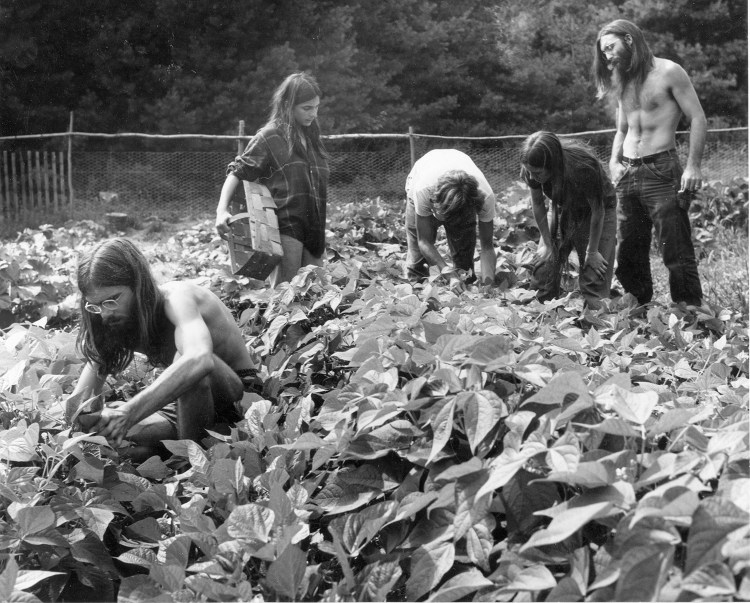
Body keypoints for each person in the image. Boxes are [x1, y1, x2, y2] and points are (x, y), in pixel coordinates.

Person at [69, 238, 256, 462]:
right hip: (187, 405)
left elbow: (200, 360)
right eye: (95, 305)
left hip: (240, 399)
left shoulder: (178, 299)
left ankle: (193, 468)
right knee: (107, 444)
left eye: (112, 300)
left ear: (137, 285)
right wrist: (96, 420)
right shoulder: (110, 317)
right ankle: (180, 449)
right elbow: (80, 402)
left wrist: (128, 412)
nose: (105, 313)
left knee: (186, 363)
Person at [593, 19, 707, 307]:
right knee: (629, 249)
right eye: (603, 51)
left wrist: (693, 166)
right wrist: (613, 161)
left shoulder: (669, 72)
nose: (607, 56)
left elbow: (697, 118)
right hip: (627, 173)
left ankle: (690, 311)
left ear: (629, 40)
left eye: (610, 47)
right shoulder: (622, 78)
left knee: (675, 249)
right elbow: (622, 129)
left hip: (662, 170)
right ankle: (639, 306)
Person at [215, 72, 329, 287]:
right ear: (288, 104)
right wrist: (221, 211)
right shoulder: (270, 136)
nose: (313, 114)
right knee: (284, 301)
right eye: (306, 108)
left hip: (315, 231)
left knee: (314, 298)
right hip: (285, 228)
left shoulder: (312, 137)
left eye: (316, 107)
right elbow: (237, 173)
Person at [520, 131, 617, 308]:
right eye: (529, 171)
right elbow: (538, 203)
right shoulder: (531, 167)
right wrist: (548, 245)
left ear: (553, 165)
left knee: (593, 275)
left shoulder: (582, 166)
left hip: (597, 211)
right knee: (544, 267)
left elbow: (598, 210)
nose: (532, 177)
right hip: (562, 206)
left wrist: (592, 252)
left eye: (538, 173)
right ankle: (542, 318)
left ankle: (595, 326)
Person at [404, 149, 497, 291]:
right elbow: (424, 241)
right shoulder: (423, 190)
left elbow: (487, 247)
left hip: (461, 191)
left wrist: (488, 284)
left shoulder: (485, 197)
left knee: (465, 266)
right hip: (423, 175)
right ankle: (418, 294)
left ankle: (465, 293)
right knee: (417, 262)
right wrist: (450, 275)